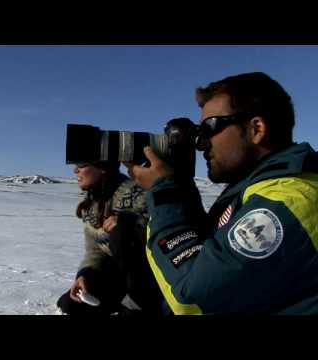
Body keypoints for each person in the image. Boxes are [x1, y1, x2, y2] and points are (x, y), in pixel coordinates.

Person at [124, 72, 318, 314]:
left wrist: (164, 192)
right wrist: (180, 190)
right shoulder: (255, 191)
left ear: (256, 129)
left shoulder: (290, 201)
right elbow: (208, 254)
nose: (201, 143)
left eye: (210, 128)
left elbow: (193, 298)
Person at [56, 161, 165, 316]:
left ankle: (140, 303)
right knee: (70, 304)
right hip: (117, 278)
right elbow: (95, 250)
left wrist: (129, 222)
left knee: (120, 232)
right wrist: (85, 275)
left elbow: (164, 225)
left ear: (102, 168)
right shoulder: (91, 204)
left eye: (81, 165)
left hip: (149, 279)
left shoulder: (136, 192)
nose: (75, 170)